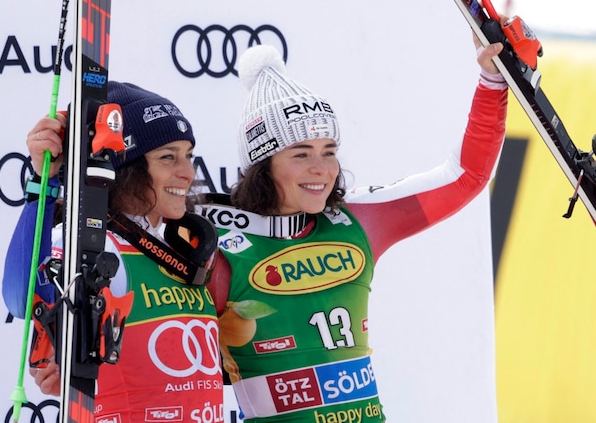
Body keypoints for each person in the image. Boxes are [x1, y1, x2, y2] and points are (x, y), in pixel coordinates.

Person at [196, 42, 508, 422]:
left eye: (329, 151)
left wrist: (493, 81)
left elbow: (465, 177)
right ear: (262, 165)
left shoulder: (356, 220)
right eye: (301, 153)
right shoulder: (218, 247)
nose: (321, 168)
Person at [2, 82, 224, 423]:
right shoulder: (95, 242)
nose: (188, 172)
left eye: (188, 155)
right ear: (127, 167)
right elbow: (22, 297)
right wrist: (43, 181)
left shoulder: (182, 248)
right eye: (168, 157)